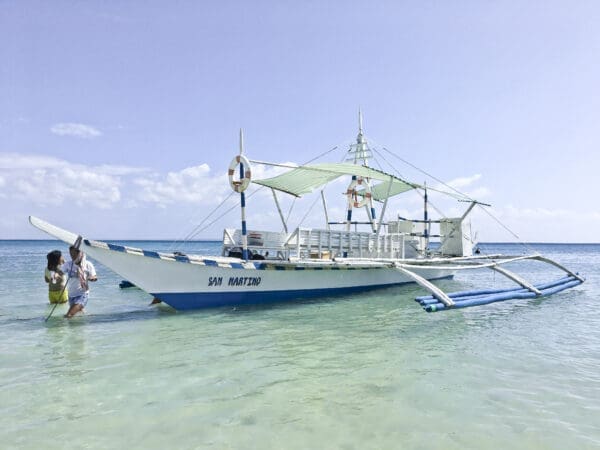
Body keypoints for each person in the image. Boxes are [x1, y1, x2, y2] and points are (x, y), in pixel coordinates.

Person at [62, 245, 97, 318]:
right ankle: (87, 319)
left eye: (74, 254)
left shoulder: (88, 264)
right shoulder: (68, 264)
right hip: (71, 295)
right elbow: (60, 273)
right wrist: (55, 276)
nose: (72, 256)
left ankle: (60, 328)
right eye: (71, 254)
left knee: (69, 315)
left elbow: (95, 276)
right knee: (78, 314)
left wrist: (91, 278)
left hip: (82, 294)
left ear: (80, 253)